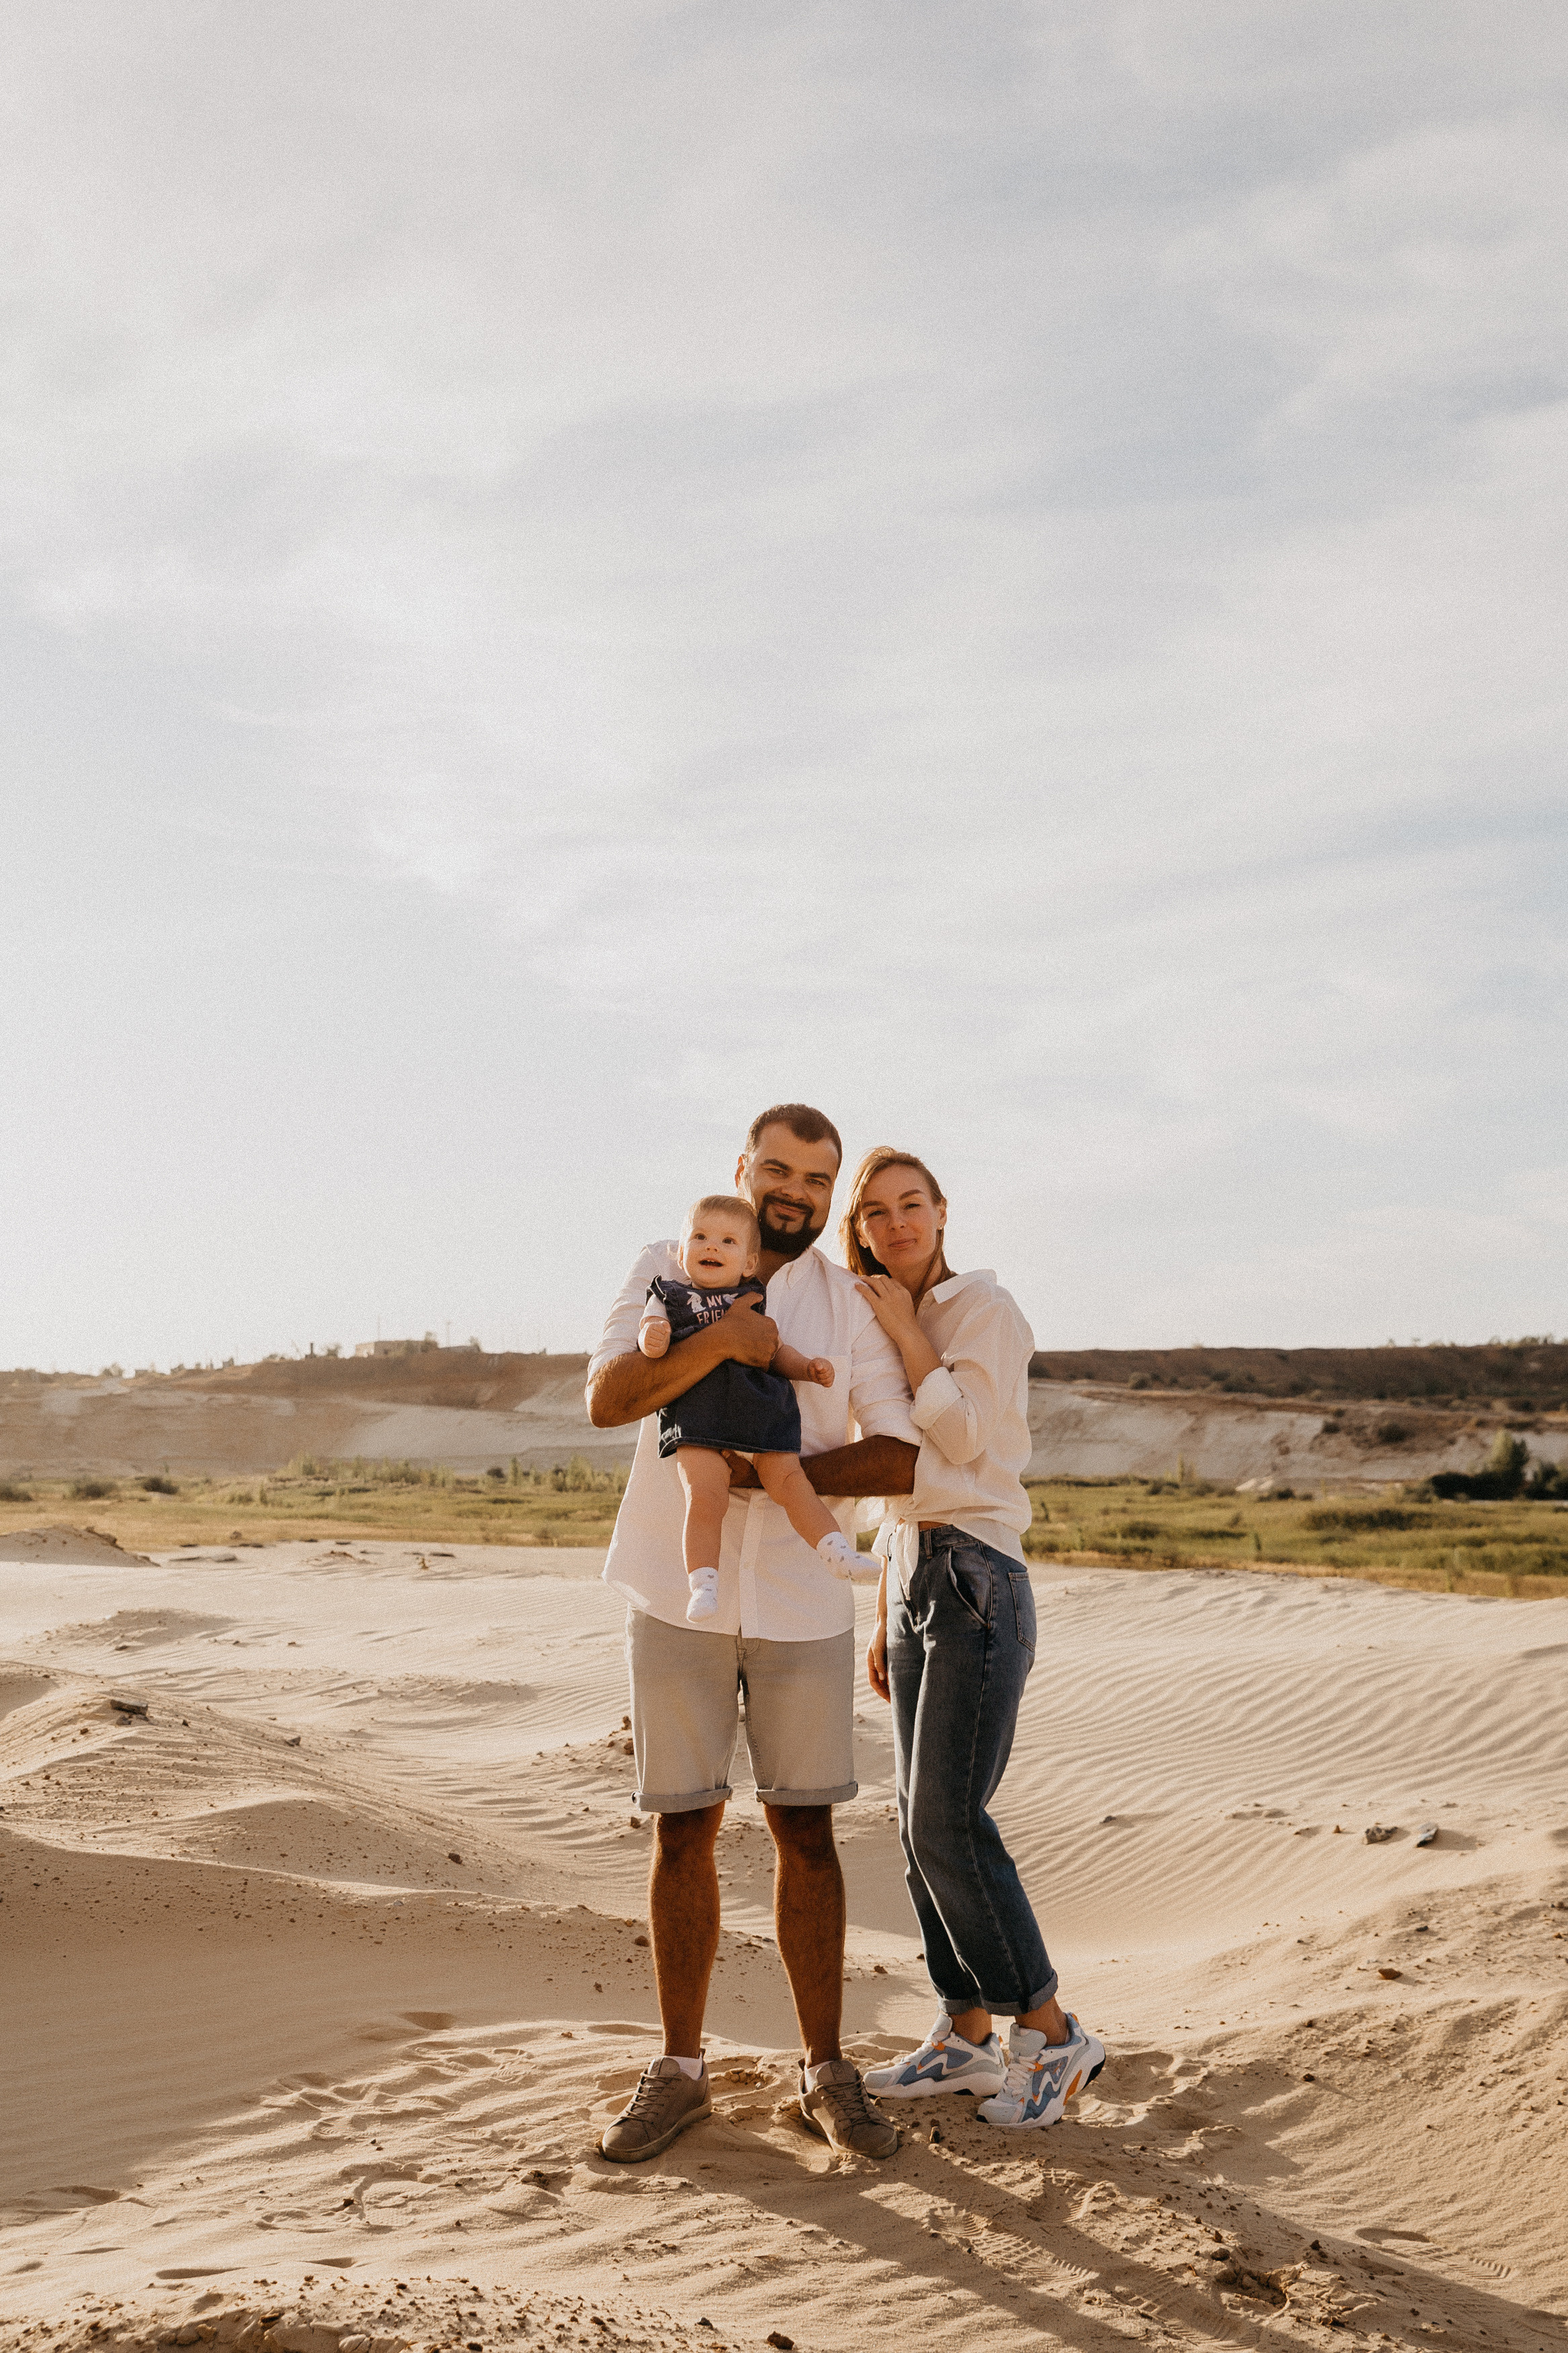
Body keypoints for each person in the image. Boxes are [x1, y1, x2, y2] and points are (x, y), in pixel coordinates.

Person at [586, 1105, 918, 2163]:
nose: (793, 1192)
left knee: (806, 1831)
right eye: (775, 1170)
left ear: (828, 1196)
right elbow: (606, 1398)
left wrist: (775, 1483)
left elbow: (900, 1453)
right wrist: (721, 1342)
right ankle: (678, 2072)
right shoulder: (664, 1263)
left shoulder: (845, 1305)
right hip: (670, 1582)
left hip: (800, 1598)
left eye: (814, 1180)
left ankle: (826, 2072)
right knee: (680, 1827)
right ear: (743, 1169)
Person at [845, 1146, 1106, 2130]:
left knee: (948, 1823)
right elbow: (895, 1479)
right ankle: (961, 2040)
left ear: (942, 1215)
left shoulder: (981, 1313)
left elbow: (956, 1444)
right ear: (861, 1228)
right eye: (877, 1210)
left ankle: (1049, 2031)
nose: (898, 1222)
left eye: (913, 1204)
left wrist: (911, 1333)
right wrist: (880, 1605)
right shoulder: (879, 1314)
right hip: (913, 1572)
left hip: (974, 1572)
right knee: (915, 1832)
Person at [638, 1193, 862, 1622]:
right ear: (682, 1253)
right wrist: (654, 1335)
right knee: (705, 1498)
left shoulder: (753, 1300)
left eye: (727, 1242)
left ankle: (835, 1550)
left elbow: (775, 1349)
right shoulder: (670, 1296)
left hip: (762, 1415)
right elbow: (652, 1326)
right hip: (698, 1422)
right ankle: (703, 1583)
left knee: (790, 1481)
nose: (712, 1247)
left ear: (748, 1263)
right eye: (700, 1237)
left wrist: (807, 1367)